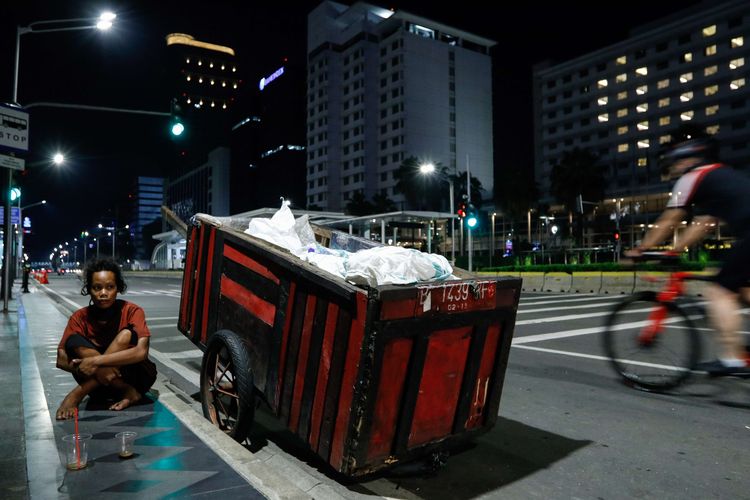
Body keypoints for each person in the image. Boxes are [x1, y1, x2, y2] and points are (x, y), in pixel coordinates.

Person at [626, 123, 750, 376]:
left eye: (675, 162)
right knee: (744, 289)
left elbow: (670, 219)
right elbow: (702, 224)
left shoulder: (692, 177)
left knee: (719, 292)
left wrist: (642, 248)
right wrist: (675, 250)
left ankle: (732, 359)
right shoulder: (719, 176)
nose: (673, 168)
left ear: (687, 159)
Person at [55, 258, 157, 420]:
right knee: (73, 340)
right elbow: (60, 359)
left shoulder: (132, 311)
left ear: (118, 288)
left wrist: (95, 362)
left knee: (126, 336)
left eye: (110, 287)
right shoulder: (79, 317)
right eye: (97, 288)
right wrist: (94, 367)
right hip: (101, 389)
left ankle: (77, 394)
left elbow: (141, 352)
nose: (103, 293)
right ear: (89, 289)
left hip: (136, 377)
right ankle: (127, 392)